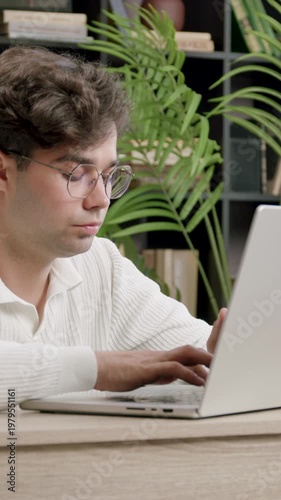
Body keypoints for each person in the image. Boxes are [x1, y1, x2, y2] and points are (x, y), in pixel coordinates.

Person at [0, 45, 225, 411]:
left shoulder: (102, 267)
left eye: (108, 176)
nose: (101, 199)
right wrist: (98, 367)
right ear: (3, 172)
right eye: (77, 174)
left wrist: (227, 356)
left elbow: (191, 354)